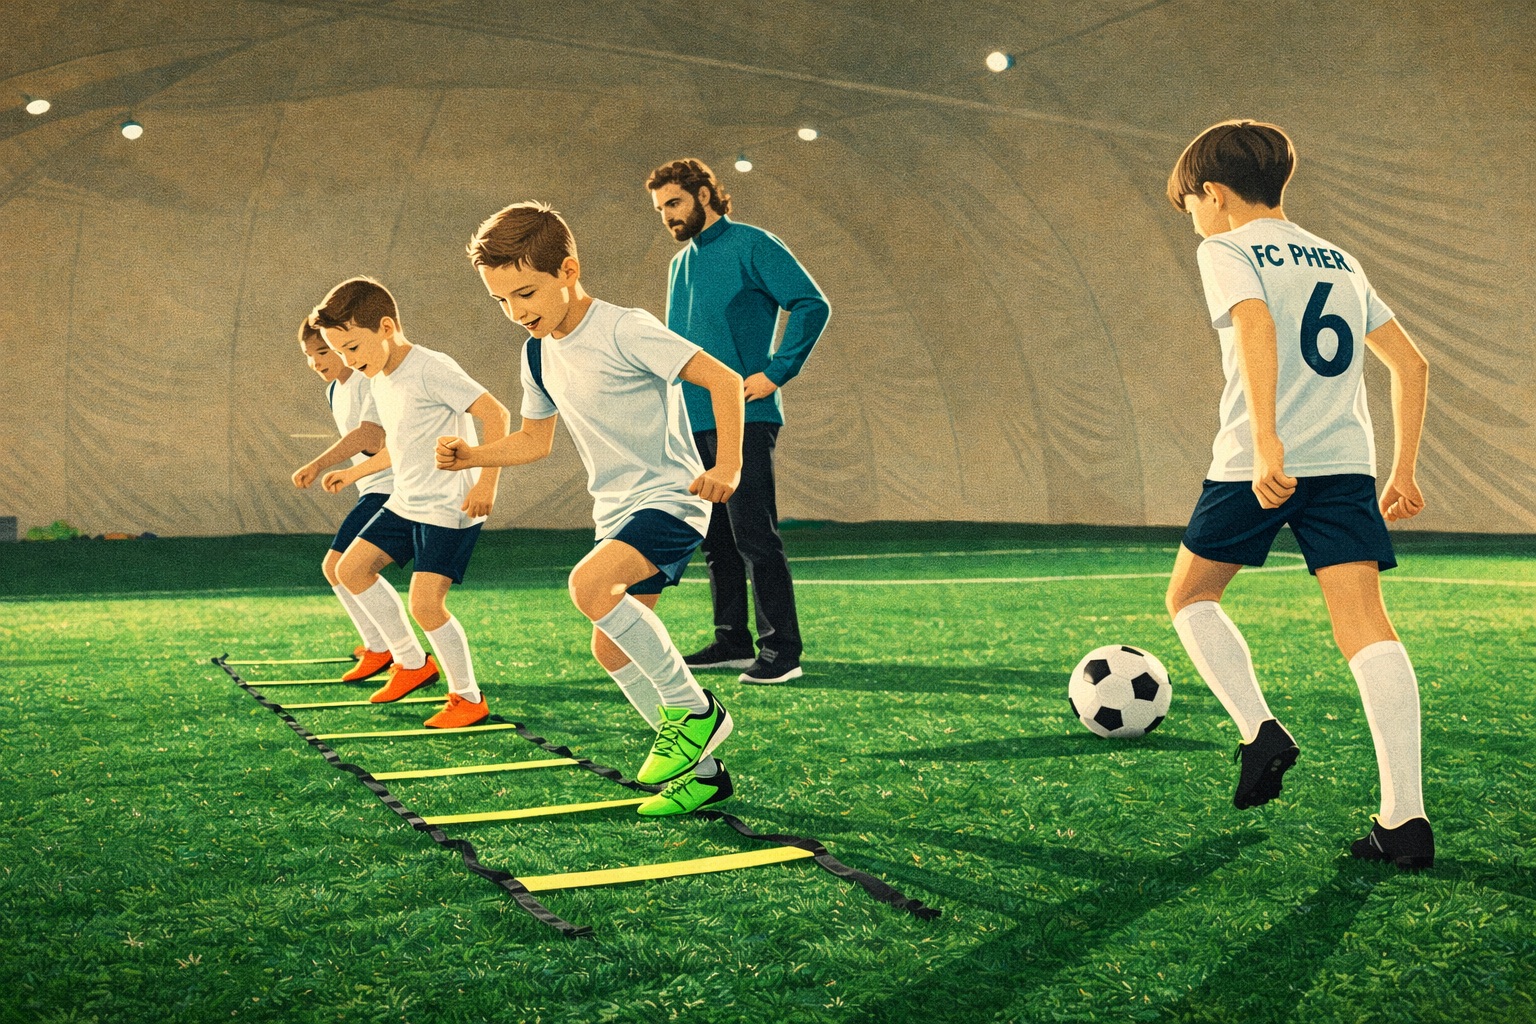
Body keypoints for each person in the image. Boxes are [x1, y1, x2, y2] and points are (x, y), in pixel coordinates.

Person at [1163, 120, 1433, 869]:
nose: (1193, 219)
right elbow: (1412, 366)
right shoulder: (1340, 259)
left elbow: (1255, 323)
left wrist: (1268, 441)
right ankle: (1406, 821)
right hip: (1346, 465)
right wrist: (1403, 471)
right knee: (1367, 628)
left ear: (1214, 193)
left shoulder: (1225, 249)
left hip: (1259, 465)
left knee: (1190, 597)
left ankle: (1260, 731)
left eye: (1190, 205)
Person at [437, 201, 745, 816]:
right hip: (616, 512)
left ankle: (695, 712)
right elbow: (535, 440)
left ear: (568, 271)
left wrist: (728, 466)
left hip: (671, 499)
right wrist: (474, 454)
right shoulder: (536, 355)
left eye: (526, 293)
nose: (516, 312)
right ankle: (705, 776)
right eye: (501, 301)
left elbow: (725, 380)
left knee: (588, 585)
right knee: (610, 649)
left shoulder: (625, 328)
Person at [645, 158, 830, 684]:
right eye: (660, 209)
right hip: (693, 421)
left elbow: (811, 304)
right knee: (715, 541)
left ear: (704, 195)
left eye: (674, 203)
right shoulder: (679, 265)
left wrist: (776, 372)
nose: (668, 216)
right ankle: (731, 640)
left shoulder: (753, 244)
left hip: (746, 417)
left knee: (754, 536)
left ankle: (781, 651)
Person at [314, 277, 510, 729]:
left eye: (352, 347)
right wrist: (353, 473)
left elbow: (496, 414)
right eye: (340, 352)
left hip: (449, 507)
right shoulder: (379, 377)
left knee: (425, 605)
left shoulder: (430, 367)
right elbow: (401, 447)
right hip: (405, 501)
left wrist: (486, 483)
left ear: (386, 328)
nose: (349, 360)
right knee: (349, 569)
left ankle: (467, 697)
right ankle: (411, 662)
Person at [290, 319, 395, 682]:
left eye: (323, 352)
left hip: (393, 488)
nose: (315, 362)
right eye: (309, 355)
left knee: (338, 566)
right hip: (373, 488)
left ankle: (388, 650)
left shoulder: (369, 380)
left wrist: (318, 464)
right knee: (338, 568)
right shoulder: (335, 389)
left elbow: (371, 437)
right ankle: (381, 646)